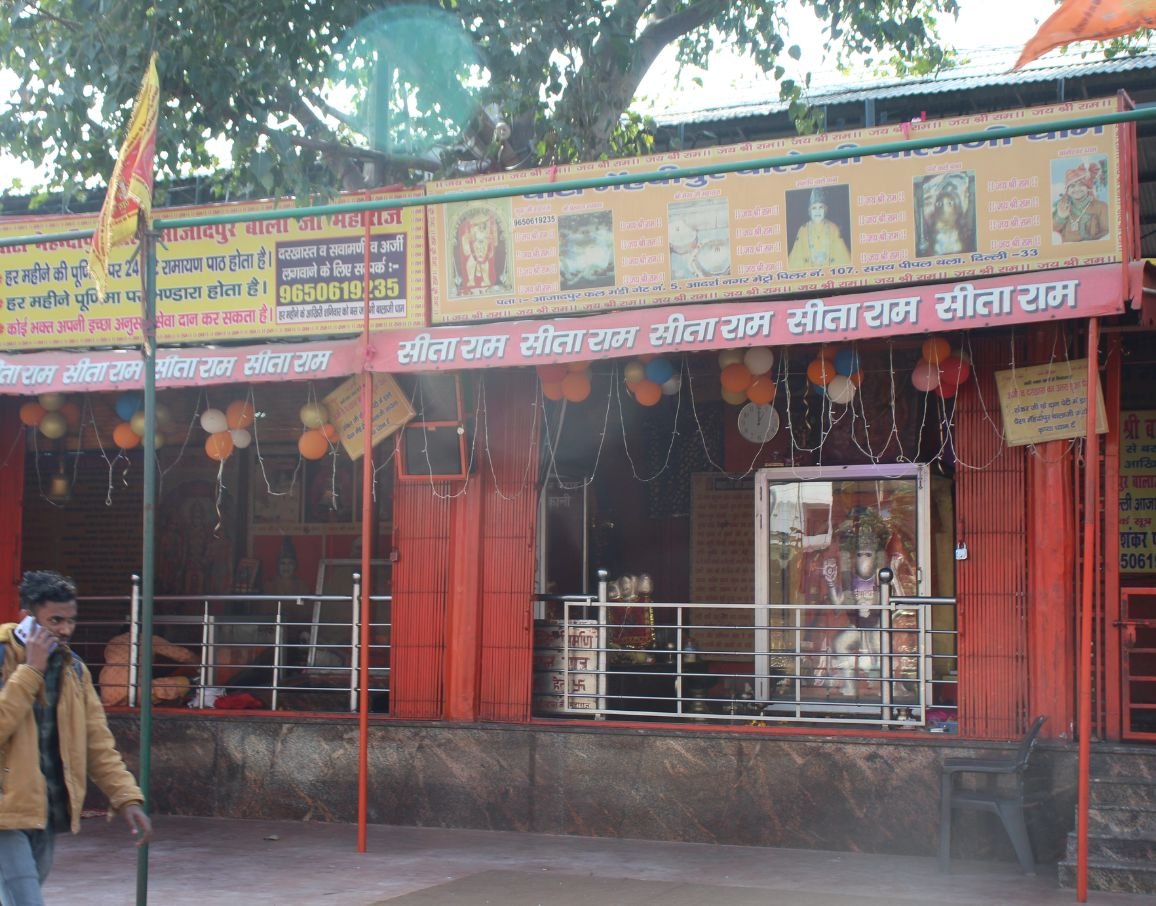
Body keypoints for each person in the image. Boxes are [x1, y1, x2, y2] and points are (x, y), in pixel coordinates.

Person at [0, 571, 151, 905]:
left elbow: (98, 745)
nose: (65, 630)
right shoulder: (3, 655)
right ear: (27, 617)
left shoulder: (74, 669)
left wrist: (127, 798)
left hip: (45, 811)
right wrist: (31, 671)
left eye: (70, 620)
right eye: (55, 620)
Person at [98, 625, 198, 708]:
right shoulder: (148, 638)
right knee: (185, 683)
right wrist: (201, 664)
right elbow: (183, 655)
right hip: (134, 690)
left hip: (108, 692)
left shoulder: (114, 641)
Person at [787, 187, 852, 269]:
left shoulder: (833, 228)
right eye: (814, 208)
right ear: (809, 211)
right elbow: (796, 257)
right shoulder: (803, 229)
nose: (817, 211)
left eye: (821, 207)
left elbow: (841, 255)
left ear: (825, 210)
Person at [1052, 162, 1109, 242]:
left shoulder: (1101, 207)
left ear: (1088, 187)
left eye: (1081, 185)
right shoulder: (1062, 206)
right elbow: (1051, 232)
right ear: (1068, 190)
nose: (1077, 189)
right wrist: (1061, 216)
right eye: (1072, 186)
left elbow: (1107, 234)